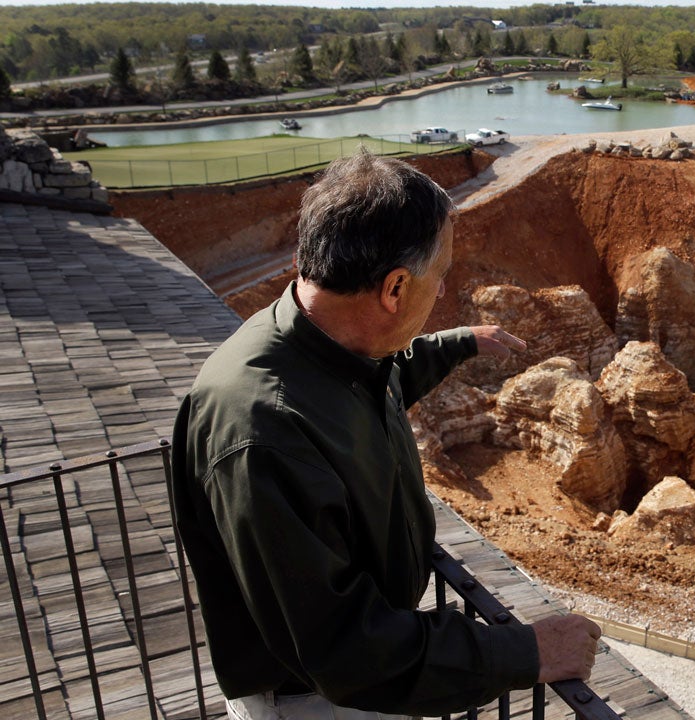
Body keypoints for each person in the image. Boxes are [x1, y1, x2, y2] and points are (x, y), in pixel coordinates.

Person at [170, 148, 601, 719]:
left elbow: (383, 381)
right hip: (317, 699)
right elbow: (344, 650)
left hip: (352, 678)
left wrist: (459, 341)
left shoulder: (324, 343)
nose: (444, 293)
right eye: (440, 276)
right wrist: (527, 651)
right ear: (394, 288)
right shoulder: (264, 431)